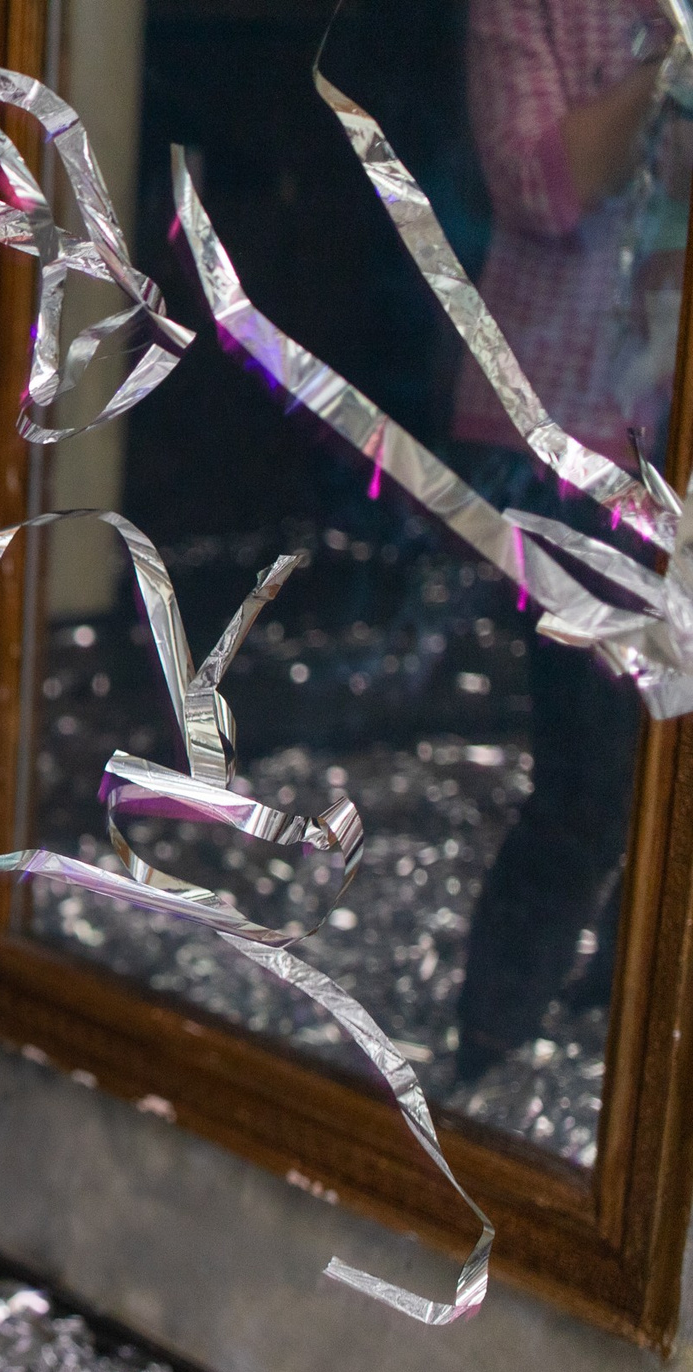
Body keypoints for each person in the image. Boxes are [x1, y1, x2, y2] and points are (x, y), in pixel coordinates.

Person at [449, 0, 689, 1084]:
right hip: (568, 441)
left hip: (674, 431)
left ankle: (619, 1018)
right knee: (589, 786)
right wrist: (673, 65)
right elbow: (540, 184)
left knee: (664, 773)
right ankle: (487, 1053)